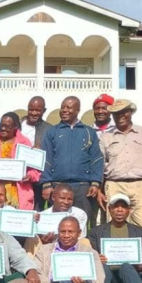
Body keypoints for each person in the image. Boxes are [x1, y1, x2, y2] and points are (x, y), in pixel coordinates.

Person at [97, 99, 142, 239]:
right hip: (114, 184)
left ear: (130, 112)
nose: (120, 115)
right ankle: (115, 258)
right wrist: (99, 189)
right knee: (114, 225)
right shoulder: (106, 137)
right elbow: (99, 164)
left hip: (140, 184)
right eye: (116, 113)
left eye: (124, 112)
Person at [40, 96, 103, 229]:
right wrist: (46, 184)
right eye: (62, 107)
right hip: (58, 185)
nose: (64, 110)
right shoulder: (52, 132)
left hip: (82, 187)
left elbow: (96, 158)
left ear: (77, 110)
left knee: (81, 223)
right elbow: (46, 158)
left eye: (68, 107)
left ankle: (81, 248)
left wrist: (95, 182)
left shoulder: (89, 132)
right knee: (55, 225)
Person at [0, 112, 40, 210]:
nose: (3, 128)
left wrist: (29, 176)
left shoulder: (25, 143)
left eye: (7, 126)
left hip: (20, 191)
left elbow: (35, 170)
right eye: (1, 125)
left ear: (15, 126)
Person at [24, 183, 88, 256]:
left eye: (70, 199)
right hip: (46, 248)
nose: (66, 202)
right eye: (62, 198)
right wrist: (42, 240)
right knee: (31, 239)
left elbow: (79, 237)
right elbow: (39, 239)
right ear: (54, 197)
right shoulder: (42, 216)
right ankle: (31, 266)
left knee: (85, 241)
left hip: (71, 248)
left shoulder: (79, 214)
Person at [20, 96, 52, 211]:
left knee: (37, 210)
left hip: (38, 179)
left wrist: (42, 149)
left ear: (44, 111)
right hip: (19, 177)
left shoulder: (49, 129)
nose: (33, 113)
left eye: (38, 110)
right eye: (31, 109)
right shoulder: (18, 125)